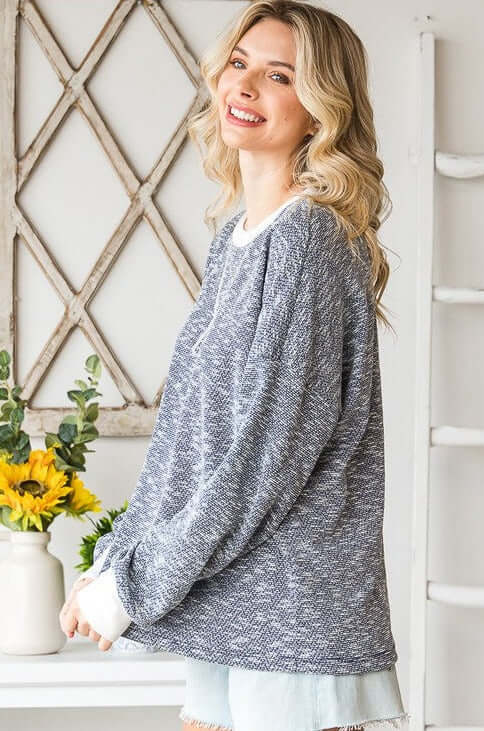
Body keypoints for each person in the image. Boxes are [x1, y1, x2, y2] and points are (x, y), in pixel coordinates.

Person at [60, 2, 409, 730]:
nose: (244, 86)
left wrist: (133, 587)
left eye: (279, 75)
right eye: (239, 64)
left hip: (293, 624)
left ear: (320, 110)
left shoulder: (310, 240)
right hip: (233, 607)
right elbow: (187, 441)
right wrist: (115, 564)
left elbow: (263, 459)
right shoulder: (236, 242)